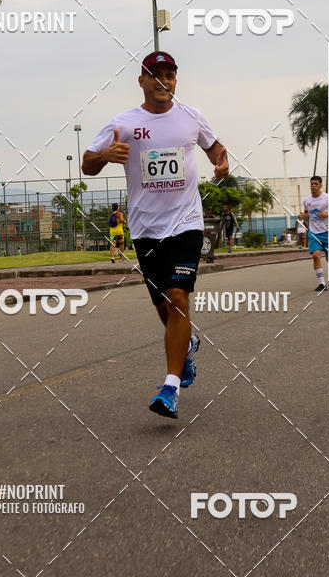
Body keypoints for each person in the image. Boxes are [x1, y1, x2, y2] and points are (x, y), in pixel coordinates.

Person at [82, 51, 229, 419]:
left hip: (186, 223)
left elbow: (216, 150)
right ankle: (188, 344)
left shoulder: (191, 117)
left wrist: (222, 164)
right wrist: (105, 156)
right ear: (142, 80)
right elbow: (86, 163)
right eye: (156, 75)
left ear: (176, 81)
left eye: (171, 75)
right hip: (146, 230)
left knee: (179, 297)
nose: (164, 81)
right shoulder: (124, 123)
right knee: (166, 307)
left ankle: (170, 387)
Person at [302, 175, 329, 292]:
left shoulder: (328, 198)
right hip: (314, 232)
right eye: (312, 184)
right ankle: (322, 284)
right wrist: (303, 218)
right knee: (316, 255)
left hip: (327, 231)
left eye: (316, 184)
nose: (313, 186)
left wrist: (327, 214)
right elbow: (306, 214)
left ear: (320, 185)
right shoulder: (306, 200)